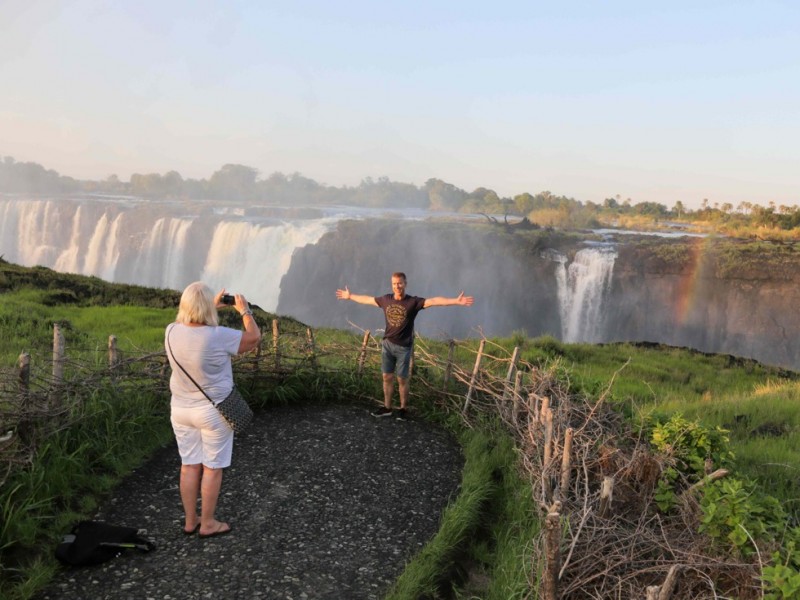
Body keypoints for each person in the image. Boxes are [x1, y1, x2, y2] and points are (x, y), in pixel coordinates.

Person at [164, 282, 261, 538]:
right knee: (212, 467)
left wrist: (209, 306)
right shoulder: (218, 336)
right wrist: (244, 310)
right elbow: (254, 338)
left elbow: (190, 327)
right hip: (213, 412)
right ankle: (207, 523)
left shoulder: (171, 331)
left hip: (180, 410)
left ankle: (190, 521)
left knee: (188, 466)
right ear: (206, 306)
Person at [336, 272, 474, 419]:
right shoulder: (386, 300)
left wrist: (455, 301)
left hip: (404, 347)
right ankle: (387, 408)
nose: (397, 286)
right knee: (387, 377)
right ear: (392, 285)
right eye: (394, 284)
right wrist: (350, 296)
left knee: (402, 379)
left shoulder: (413, 302)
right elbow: (368, 299)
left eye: (400, 283)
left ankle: (403, 409)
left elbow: (434, 301)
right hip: (387, 345)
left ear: (405, 284)